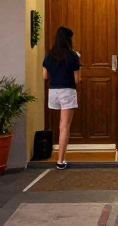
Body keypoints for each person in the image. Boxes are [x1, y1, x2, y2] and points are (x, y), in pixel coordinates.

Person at [42, 26, 81, 170]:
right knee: (64, 126)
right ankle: (60, 160)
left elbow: (45, 76)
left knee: (58, 124)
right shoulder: (73, 56)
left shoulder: (48, 56)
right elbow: (77, 79)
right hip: (67, 91)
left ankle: (57, 156)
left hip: (53, 92)